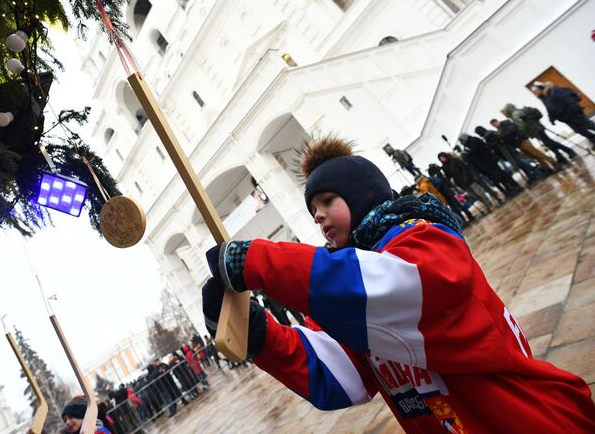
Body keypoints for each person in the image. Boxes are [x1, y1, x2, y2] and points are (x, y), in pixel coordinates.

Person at [201, 136, 595, 433]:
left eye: (326, 201)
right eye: (313, 210)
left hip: (531, 420)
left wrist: (258, 260)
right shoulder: (351, 297)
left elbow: (393, 289)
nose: (318, 216)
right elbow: (339, 374)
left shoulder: (424, 238)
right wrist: (260, 336)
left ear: (361, 195)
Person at [501, 102, 576, 165]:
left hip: (535, 130)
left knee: (550, 142)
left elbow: (522, 126)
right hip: (538, 127)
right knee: (548, 143)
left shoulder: (515, 115)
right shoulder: (519, 110)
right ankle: (560, 157)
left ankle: (569, 151)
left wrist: (524, 133)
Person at [457, 132, 522, 197]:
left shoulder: (474, 140)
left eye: (462, 141)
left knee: (502, 174)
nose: (462, 143)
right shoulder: (468, 145)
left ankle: (514, 185)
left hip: (489, 161)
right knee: (498, 178)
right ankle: (509, 189)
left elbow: (476, 150)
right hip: (484, 164)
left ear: (465, 138)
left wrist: (468, 154)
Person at [533, 81, 595, 148]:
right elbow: (550, 109)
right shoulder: (544, 98)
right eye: (534, 92)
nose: (535, 93)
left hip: (573, 114)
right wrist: (551, 119)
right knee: (580, 131)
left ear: (541, 88)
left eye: (536, 91)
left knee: (589, 125)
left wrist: (577, 110)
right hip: (566, 119)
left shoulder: (554, 90)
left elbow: (569, 99)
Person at [490, 118, 557, 173]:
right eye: (493, 125)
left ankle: (553, 162)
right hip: (518, 144)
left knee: (536, 153)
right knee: (533, 156)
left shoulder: (505, 123)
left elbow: (512, 129)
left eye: (495, 124)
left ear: (497, 121)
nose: (495, 126)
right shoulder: (499, 130)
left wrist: (502, 136)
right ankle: (547, 168)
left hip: (522, 141)